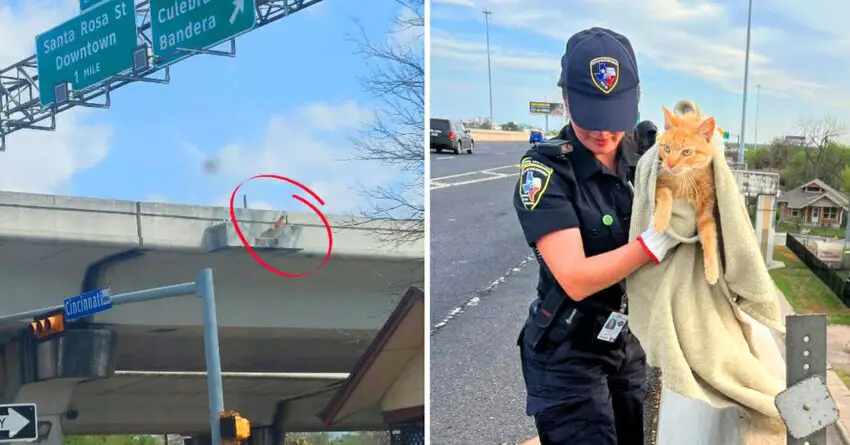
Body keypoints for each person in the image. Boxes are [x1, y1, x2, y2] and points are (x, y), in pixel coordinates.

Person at [512, 27, 680, 445]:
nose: (603, 135)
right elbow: (575, 276)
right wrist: (652, 244)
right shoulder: (545, 172)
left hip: (627, 339)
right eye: (591, 121)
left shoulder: (647, 155)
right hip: (567, 351)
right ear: (567, 100)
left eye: (613, 120)